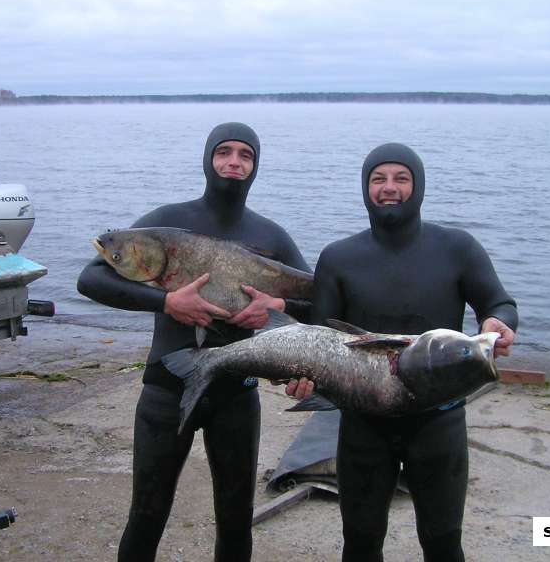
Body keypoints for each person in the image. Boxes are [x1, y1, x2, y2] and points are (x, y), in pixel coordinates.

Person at [77, 122, 311, 562]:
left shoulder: (272, 236)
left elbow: (318, 301)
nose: (234, 162)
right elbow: (90, 279)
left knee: (236, 517)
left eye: (246, 155)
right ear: (208, 159)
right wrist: (168, 302)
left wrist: (274, 305)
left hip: (237, 395)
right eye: (224, 152)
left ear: (255, 166)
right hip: (165, 390)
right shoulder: (167, 223)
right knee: (147, 512)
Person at [298, 142, 518, 562]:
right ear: (365, 188)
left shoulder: (457, 248)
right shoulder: (339, 258)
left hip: (439, 420)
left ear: (417, 186)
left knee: (442, 543)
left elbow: (499, 303)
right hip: (364, 422)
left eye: (401, 178)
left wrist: (498, 323)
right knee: (360, 544)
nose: (389, 188)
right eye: (378, 179)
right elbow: (318, 341)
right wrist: (304, 379)